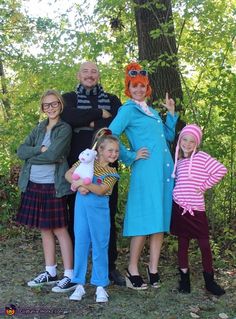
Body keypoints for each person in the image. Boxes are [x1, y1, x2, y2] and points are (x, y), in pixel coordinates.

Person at [109, 62, 179, 289]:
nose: (139, 89)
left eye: (142, 86)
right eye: (134, 86)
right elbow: (110, 135)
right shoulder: (128, 109)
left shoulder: (151, 111)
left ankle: (153, 269)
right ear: (129, 87)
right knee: (142, 220)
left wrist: (170, 114)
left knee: (159, 220)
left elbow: (167, 136)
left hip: (164, 172)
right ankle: (132, 270)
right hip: (146, 171)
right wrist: (130, 155)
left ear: (147, 88)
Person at [61, 61, 125, 286]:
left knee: (107, 215)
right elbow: (67, 116)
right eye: (85, 71)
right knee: (76, 218)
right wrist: (98, 113)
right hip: (77, 167)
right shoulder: (68, 98)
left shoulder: (113, 99)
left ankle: (108, 267)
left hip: (106, 164)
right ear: (78, 75)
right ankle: (75, 270)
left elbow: (114, 123)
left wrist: (86, 120)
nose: (90, 75)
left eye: (94, 71)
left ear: (99, 75)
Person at [16, 90, 77, 293]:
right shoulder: (39, 128)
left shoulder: (64, 128)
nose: (50, 108)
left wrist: (33, 156)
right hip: (33, 183)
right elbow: (21, 150)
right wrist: (36, 151)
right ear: (42, 109)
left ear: (60, 105)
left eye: (54, 104)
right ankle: (50, 272)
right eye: (46, 105)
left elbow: (53, 155)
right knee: (44, 228)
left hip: (54, 184)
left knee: (60, 228)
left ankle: (70, 275)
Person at [170, 124, 227, 296]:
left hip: (196, 209)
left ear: (197, 143)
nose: (187, 143)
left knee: (204, 244)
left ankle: (210, 281)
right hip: (179, 208)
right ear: (180, 141)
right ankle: (184, 280)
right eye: (185, 140)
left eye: (192, 141)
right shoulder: (179, 162)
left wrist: (203, 186)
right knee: (182, 244)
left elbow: (221, 170)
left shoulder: (202, 157)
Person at [65, 132, 120, 302]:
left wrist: (82, 183)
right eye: (110, 150)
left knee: (100, 246)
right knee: (80, 243)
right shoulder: (86, 161)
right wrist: (76, 183)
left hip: (99, 213)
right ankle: (79, 284)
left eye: (117, 151)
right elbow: (68, 174)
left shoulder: (112, 172)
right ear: (100, 150)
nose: (114, 154)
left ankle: (100, 285)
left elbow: (102, 189)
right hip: (81, 210)